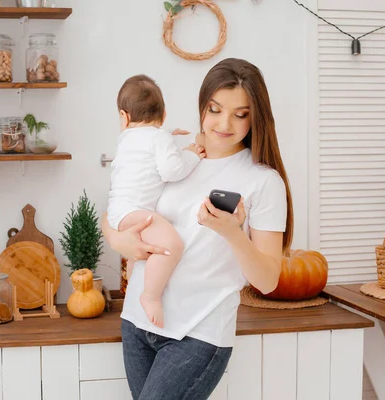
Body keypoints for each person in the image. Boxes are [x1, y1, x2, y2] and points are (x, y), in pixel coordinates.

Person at [102, 58, 294, 400]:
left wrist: (233, 233)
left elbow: (267, 280)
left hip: (197, 334)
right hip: (138, 322)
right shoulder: (176, 157)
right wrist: (117, 238)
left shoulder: (263, 181)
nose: (224, 124)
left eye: (241, 114)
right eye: (215, 109)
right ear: (202, 104)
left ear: (256, 116)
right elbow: (120, 205)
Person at [107, 74, 206, 328]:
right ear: (163, 116)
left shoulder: (126, 139)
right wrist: (192, 155)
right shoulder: (160, 139)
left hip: (119, 212)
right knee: (172, 245)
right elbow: (171, 170)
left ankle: (133, 291)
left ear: (124, 117)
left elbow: (147, 144)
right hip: (137, 212)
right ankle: (150, 296)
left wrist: (169, 136)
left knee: (138, 255)